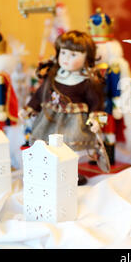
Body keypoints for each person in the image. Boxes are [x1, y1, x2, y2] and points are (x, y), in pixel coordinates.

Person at [19, 31, 110, 179]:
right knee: (47, 146)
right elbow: (40, 93)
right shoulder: (54, 75)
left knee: (70, 148)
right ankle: (51, 171)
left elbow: (96, 102)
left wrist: (96, 120)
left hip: (74, 122)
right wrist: (29, 108)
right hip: (50, 119)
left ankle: (69, 174)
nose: (66, 58)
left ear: (87, 57)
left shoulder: (87, 80)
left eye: (73, 55)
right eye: (64, 53)